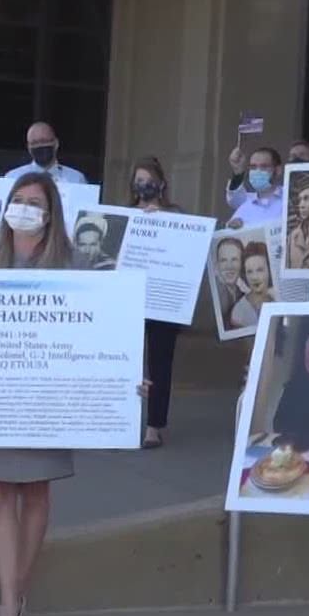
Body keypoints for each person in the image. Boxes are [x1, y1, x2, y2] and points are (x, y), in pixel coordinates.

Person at [0, 173, 150, 616]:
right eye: (17, 200)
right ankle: (9, 601)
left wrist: (126, 376)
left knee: (36, 492)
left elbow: (105, 329)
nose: (24, 208)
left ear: (51, 213)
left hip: (48, 401)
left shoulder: (78, 265)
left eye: (34, 202)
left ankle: (17, 591)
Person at [132, 157, 184, 449]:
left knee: (160, 365)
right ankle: (120, 423)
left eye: (148, 180)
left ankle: (154, 426)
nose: (143, 186)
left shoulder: (176, 216)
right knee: (126, 362)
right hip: (132, 299)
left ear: (161, 184)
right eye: (138, 180)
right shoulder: (126, 215)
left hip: (165, 302)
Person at [4, 121, 88, 185]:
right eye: (35, 143)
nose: (40, 146)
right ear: (29, 148)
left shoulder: (76, 179)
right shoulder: (12, 178)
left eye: (44, 141)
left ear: (56, 143)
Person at [225, 146, 286, 228]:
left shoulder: (290, 199)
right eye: (253, 167)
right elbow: (234, 196)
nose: (257, 171)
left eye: (264, 166)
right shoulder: (245, 203)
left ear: (278, 170)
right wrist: (232, 228)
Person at [228, 242, 277, 328]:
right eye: (250, 272)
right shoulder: (239, 310)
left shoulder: (278, 302)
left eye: (260, 270)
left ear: (269, 270)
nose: (254, 277)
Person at [212, 236, 248, 322]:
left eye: (234, 259)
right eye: (224, 260)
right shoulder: (212, 295)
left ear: (241, 263)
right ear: (217, 264)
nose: (229, 266)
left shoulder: (241, 294)